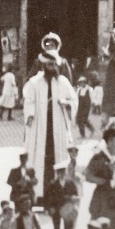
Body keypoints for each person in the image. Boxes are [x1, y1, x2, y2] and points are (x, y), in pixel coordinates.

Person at [22, 47, 77, 205]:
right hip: (40, 128)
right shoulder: (34, 83)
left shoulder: (63, 82)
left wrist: (66, 104)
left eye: (55, 65)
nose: (52, 68)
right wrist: (30, 114)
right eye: (49, 65)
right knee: (40, 161)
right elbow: (29, 100)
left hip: (57, 127)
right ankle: (39, 195)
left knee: (57, 160)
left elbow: (73, 100)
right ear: (44, 66)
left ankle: (56, 196)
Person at [47, 160, 78, 229]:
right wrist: (50, 208)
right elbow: (48, 198)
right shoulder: (52, 184)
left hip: (67, 209)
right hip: (56, 209)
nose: (61, 174)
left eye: (63, 171)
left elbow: (75, 194)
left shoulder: (70, 182)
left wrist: (72, 199)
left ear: (65, 172)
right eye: (59, 172)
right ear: (57, 173)